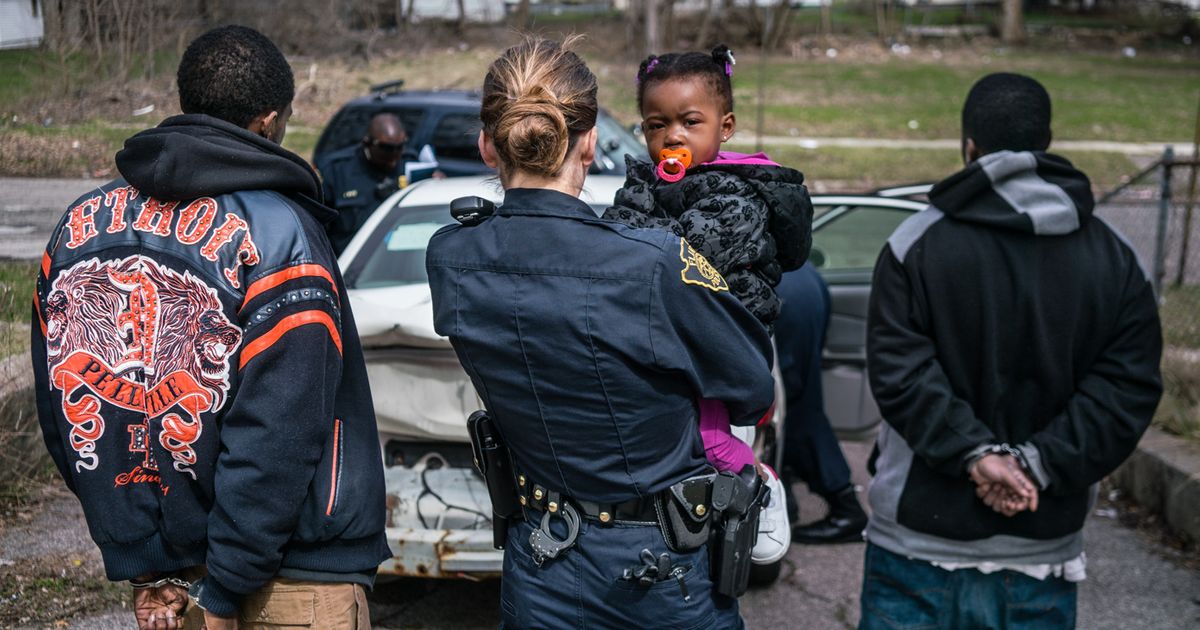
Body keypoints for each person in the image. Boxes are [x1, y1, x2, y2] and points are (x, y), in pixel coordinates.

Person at [30, 25, 390, 630]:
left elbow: (63, 410)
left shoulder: (77, 227)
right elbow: (278, 433)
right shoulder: (283, 235)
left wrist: (147, 561)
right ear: (267, 123)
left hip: (173, 581)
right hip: (287, 582)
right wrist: (225, 587)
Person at [426, 38, 775, 628]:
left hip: (539, 553)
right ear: (589, 143)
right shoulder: (653, 263)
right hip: (658, 569)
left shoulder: (450, 257)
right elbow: (751, 387)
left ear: (489, 146)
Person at [860, 72, 1162, 629]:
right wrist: (1035, 464)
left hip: (915, 543)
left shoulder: (914, 245)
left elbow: (901, 375)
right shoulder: (1117, 258)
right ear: (1046, 142)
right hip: (1042, 552)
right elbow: (1125, 392)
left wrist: (977, 455)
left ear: (968, 147)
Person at [603, 45, 813, 565]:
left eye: (689, 122)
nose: (671, 136)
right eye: (656, 125)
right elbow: (616, 246)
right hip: (680, 341)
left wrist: (635, 229)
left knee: (711, 444)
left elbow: (674, 257)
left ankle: (759, 484)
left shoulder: (739, 197)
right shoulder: (645, 186)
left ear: (726, 126)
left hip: (725, 345)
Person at [775, 263, 868, 544]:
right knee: (798, 404)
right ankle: (786, 501)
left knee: (791, 408)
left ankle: (845, 507)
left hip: (780, 290)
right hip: (802, 278)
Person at [316, 112, 410, 254]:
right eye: (387, 148)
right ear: (367, 143)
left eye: (400, 147)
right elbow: (318, 225)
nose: (394, 155)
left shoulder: (409, 165)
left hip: (397, 259)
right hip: (350, 262)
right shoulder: (338, 171)